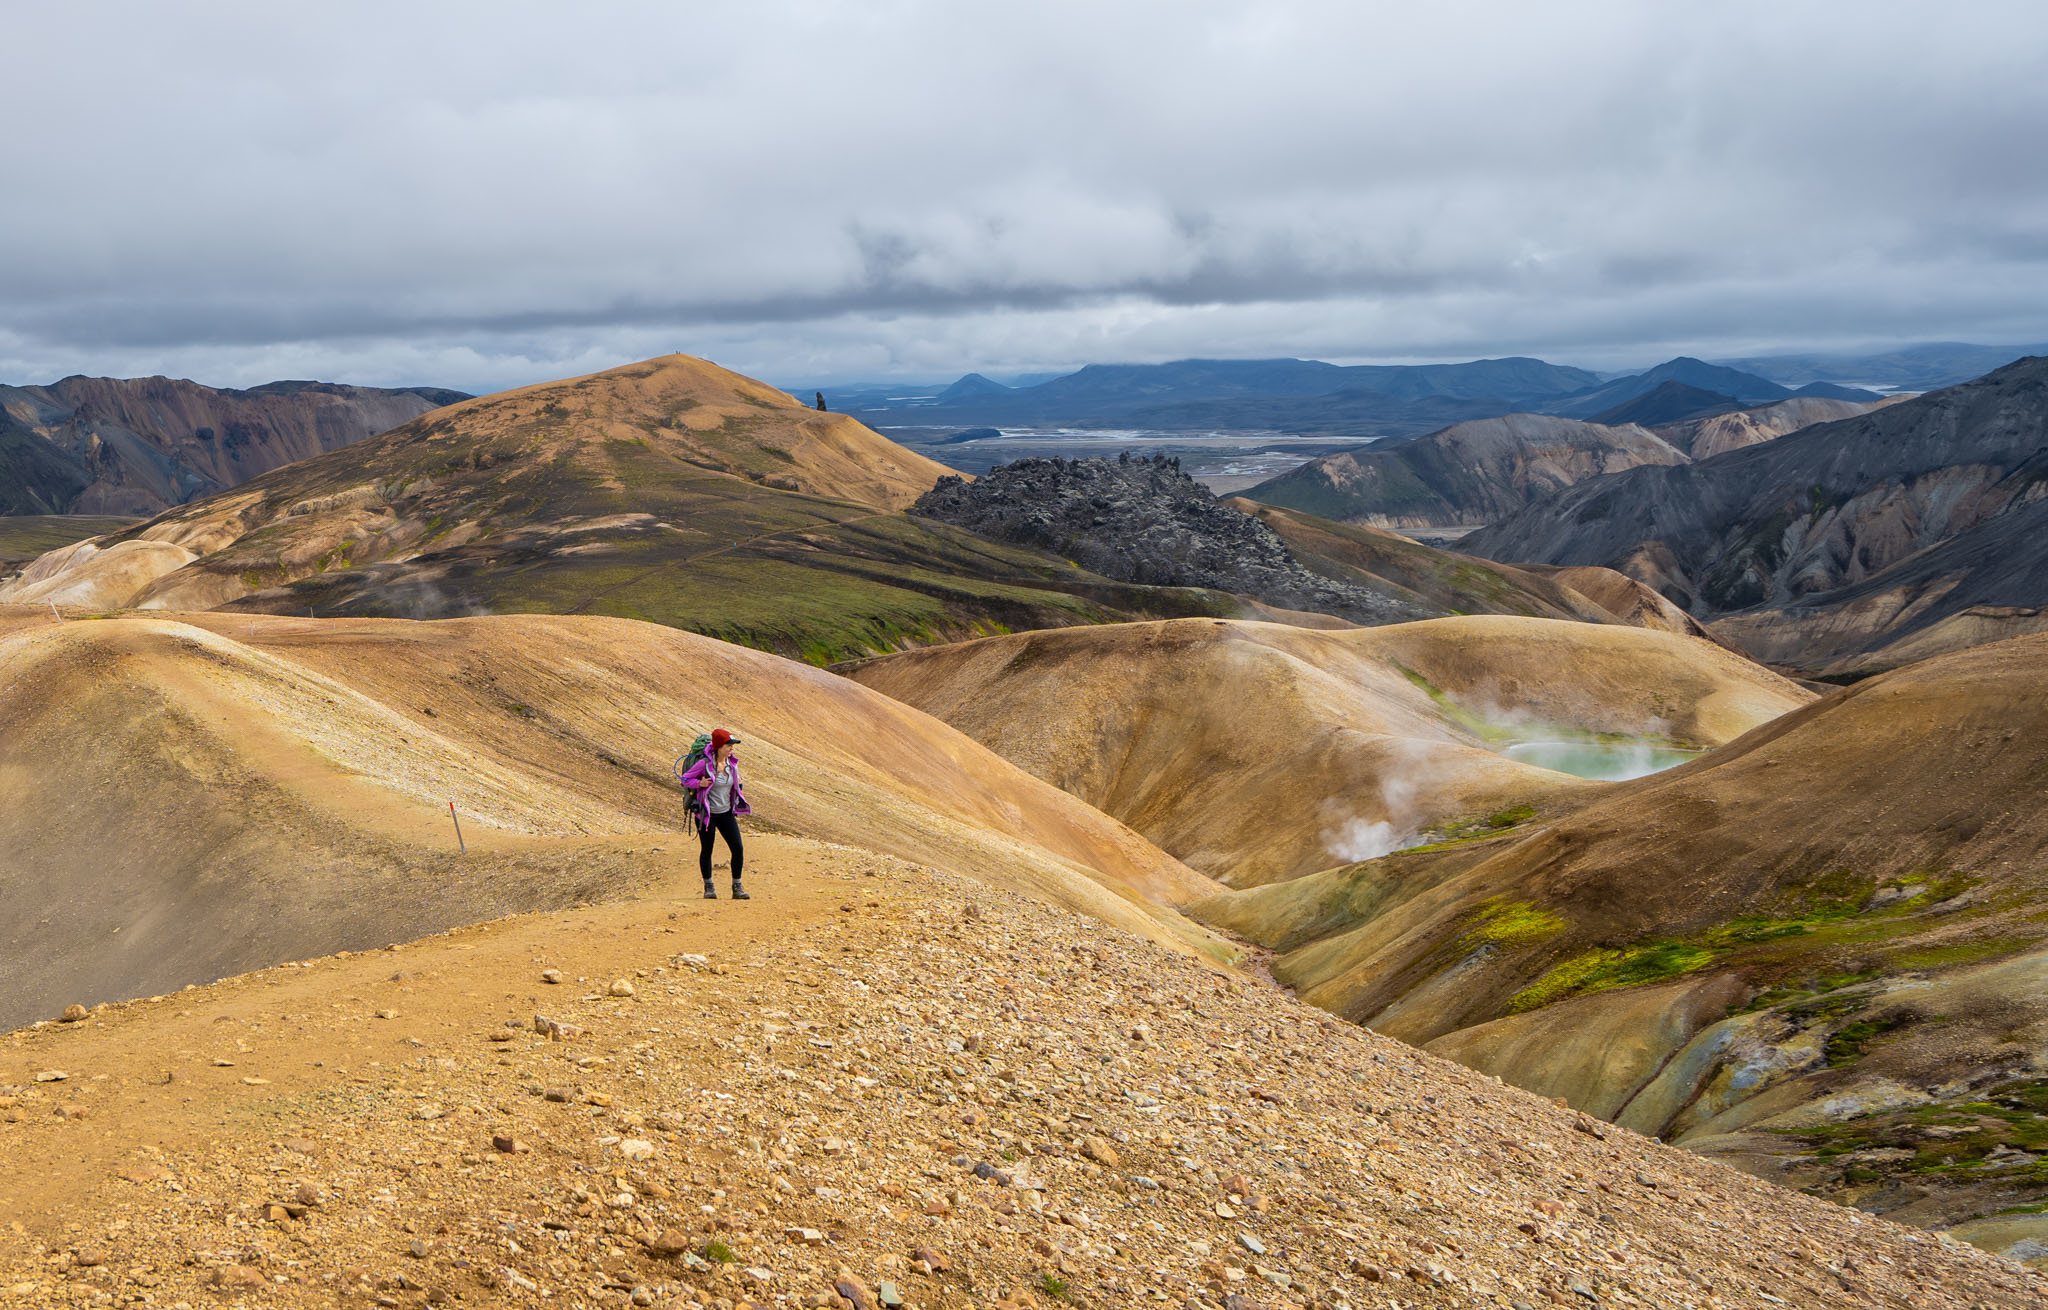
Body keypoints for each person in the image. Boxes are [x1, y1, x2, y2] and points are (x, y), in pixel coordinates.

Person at [681, 728, 751, 899]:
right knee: (707, 850)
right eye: (729, 745)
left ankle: (737, 886)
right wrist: (700, 783)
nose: (731, 748)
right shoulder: (704, 764)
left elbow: (735, 786)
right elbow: (684, 779)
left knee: (738, 849)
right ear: (719, 747)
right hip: (706, 814)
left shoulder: (732, 765)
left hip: (726, 813)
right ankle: (709, 887)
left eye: (732, 745)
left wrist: (738, 785)